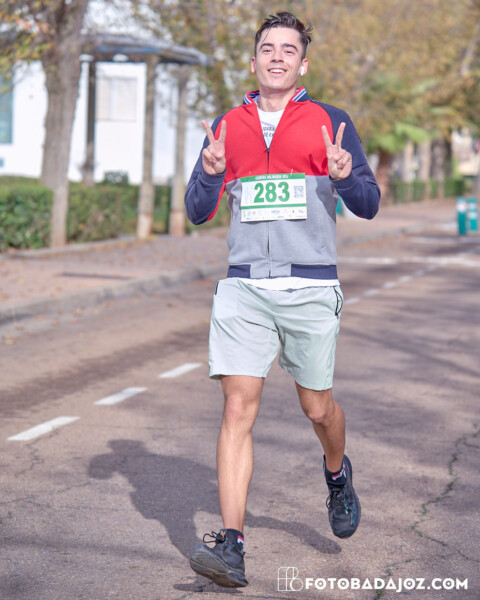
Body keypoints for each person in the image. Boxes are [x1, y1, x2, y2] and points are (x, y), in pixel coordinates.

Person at [184, 11, 380, 588]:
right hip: (244, 286)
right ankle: (232, 547)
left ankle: (337, 474)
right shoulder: (227, 126)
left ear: (303, 64)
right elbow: (197, 209)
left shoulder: (331, 122)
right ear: (253, 62)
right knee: (236, 409)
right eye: (267, 48)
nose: (276, 57)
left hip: (310, 286)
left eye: (288, 50)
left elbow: (368, 203)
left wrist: (344, 176)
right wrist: (209, 172)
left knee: (317, 409)